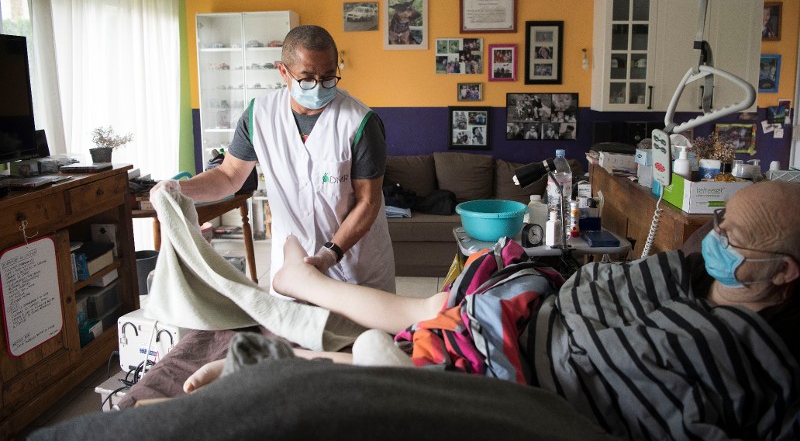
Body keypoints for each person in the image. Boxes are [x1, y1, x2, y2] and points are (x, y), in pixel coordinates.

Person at [185, 181, 800, 439]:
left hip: (539, 367)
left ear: (785, 271)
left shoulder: (754, 358)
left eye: (735, 237)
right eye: (718, 220)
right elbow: (612, 286)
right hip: (534, 305)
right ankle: (306, 305)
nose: (715, 238)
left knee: (429, 337)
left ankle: (299, 361)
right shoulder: (685, 266)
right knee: (433, 309)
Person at [153, 25, 395, 295]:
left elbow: (368, 202)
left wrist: (329, 255)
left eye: (328, 77)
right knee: (292, 334)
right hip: (292, 266)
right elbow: (229, 175)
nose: (318, 86)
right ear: (283, 71)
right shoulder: (259, 116)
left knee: (365, 337)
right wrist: (178, 189)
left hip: (354, 265)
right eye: (307, 78)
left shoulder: (359, 122)